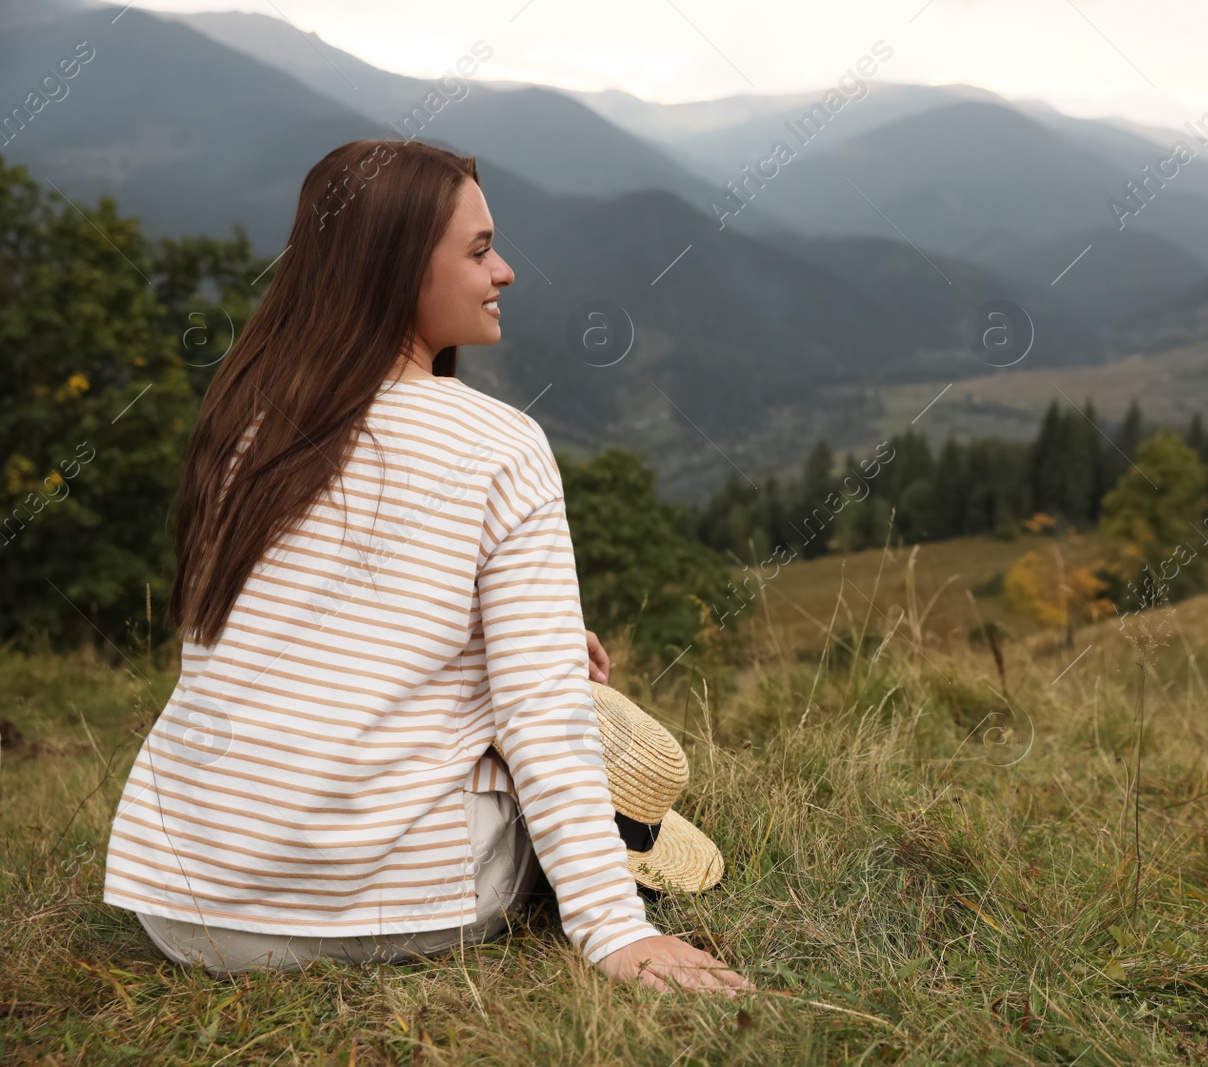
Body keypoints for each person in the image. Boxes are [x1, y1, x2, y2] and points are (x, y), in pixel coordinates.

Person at [101, 139, 748, 994]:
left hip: (183, 904)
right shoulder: (501, 445)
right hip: (385, 905)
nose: (506, 270)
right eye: (480, 249)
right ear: (397, 267)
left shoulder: (244, 430)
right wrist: (615, 929)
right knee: (563, 726)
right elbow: (541, 711)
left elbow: (295, 646)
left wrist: (509, 647)